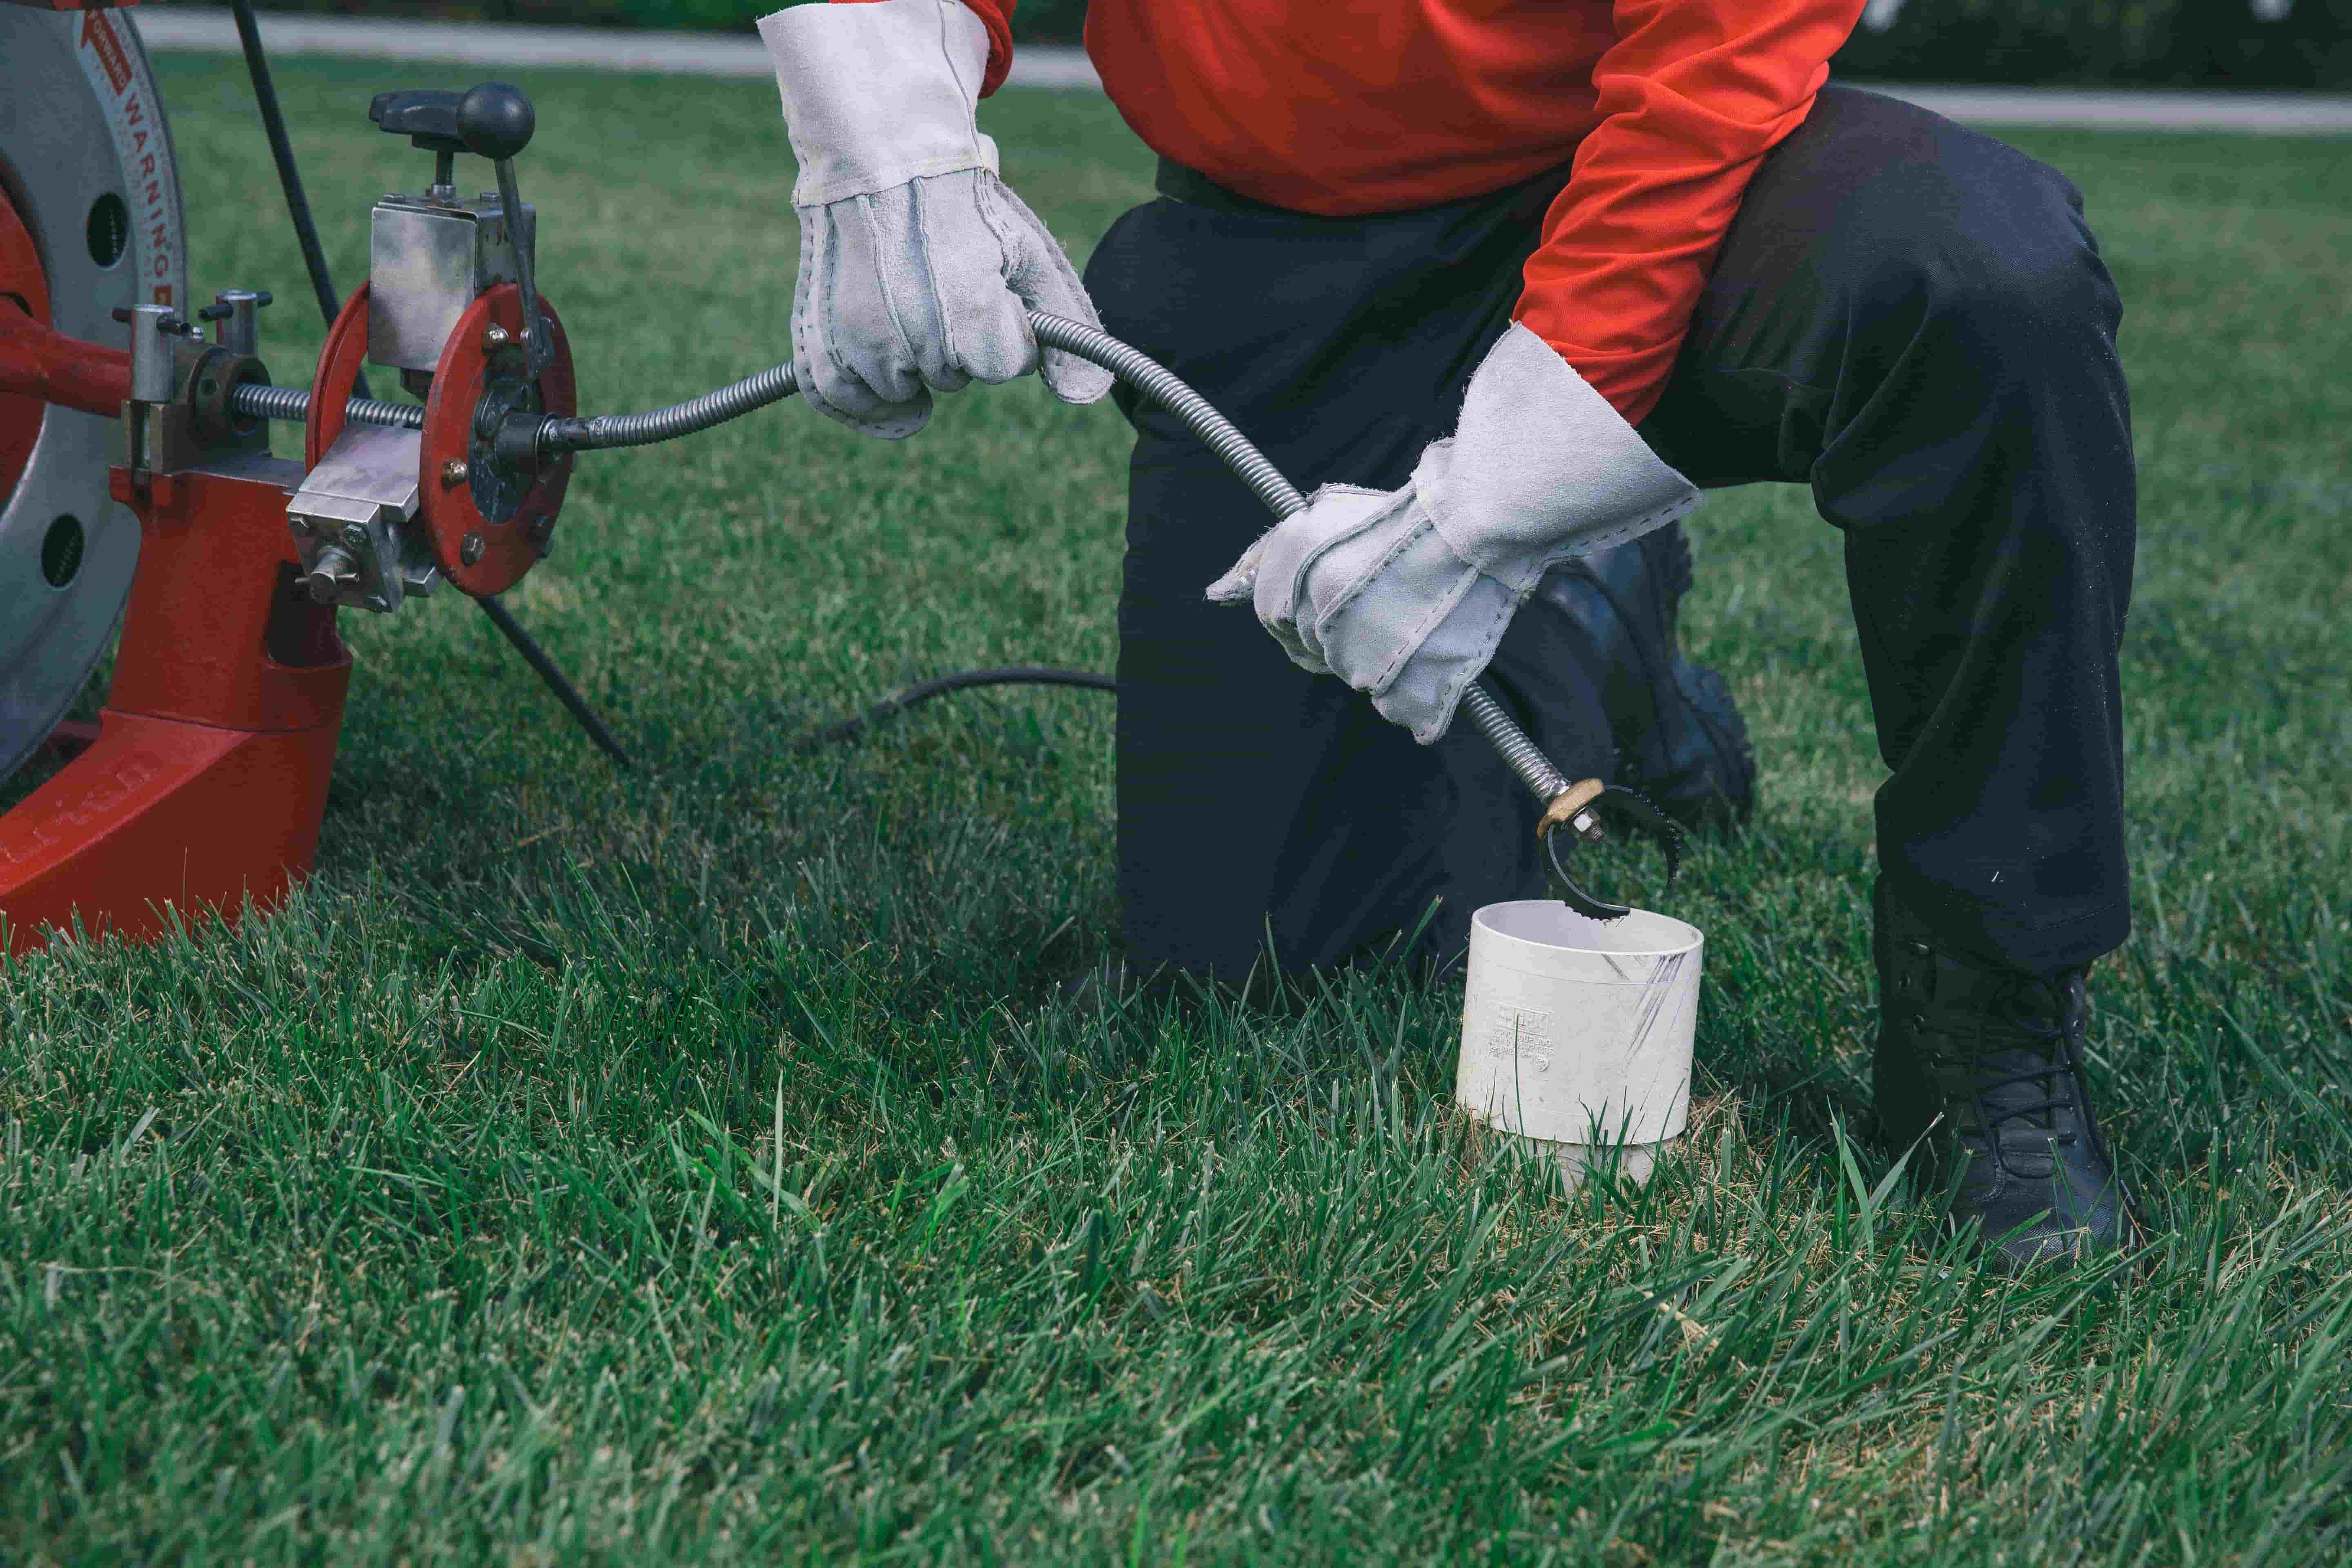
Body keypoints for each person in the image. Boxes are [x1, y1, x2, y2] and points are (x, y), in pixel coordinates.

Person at [755, 0, 2140, 1269]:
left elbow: (1720, 46)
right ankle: (1604, 625)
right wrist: (881, 133)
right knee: (1259, 964)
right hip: (1283, 240)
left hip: (1649, 177)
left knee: (1977, 272)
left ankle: (1989, 1005)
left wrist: (1508, 491)